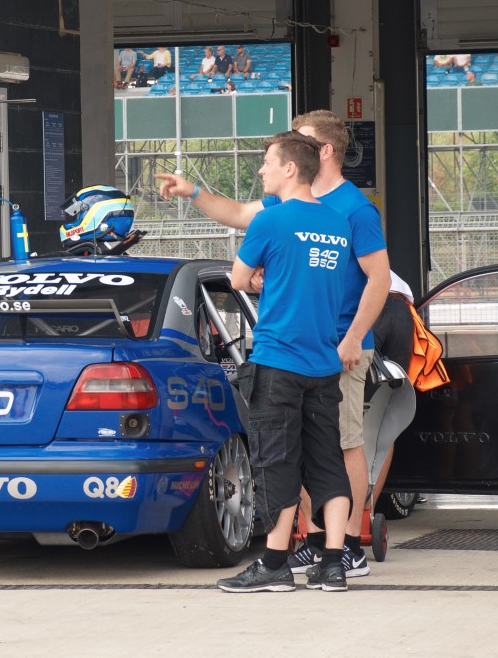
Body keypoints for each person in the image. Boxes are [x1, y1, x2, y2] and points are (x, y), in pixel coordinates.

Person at [156, 108, 390, 578]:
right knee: (314, 451)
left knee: (339, 446)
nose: (281, 149)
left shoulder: (354, 210)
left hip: (336, 345)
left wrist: (352, 339)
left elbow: (379, 280)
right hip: (314, 351)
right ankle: (321, 546)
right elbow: (239, 214)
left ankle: (346, 547)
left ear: (317, 152)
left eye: (295, 141)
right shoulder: (291, 210)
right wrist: (195, 192)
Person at [216, 131, 353, 593]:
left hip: (278, 362)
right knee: (327, 462)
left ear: (290, 168)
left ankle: (275, 564)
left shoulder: (270, 221)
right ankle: (334, 563)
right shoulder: (338, 222)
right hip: (323, 362)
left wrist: (262, 279)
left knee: (277, 462)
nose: (262, 170)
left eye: (268, 162)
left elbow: (237, 278)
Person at [367, 272, 417, 509]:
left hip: (369, 305)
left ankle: (353, 516)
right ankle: (367, 513)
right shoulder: (365, 240)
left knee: (353, 418)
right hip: (402, 310)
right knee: (385, 417)